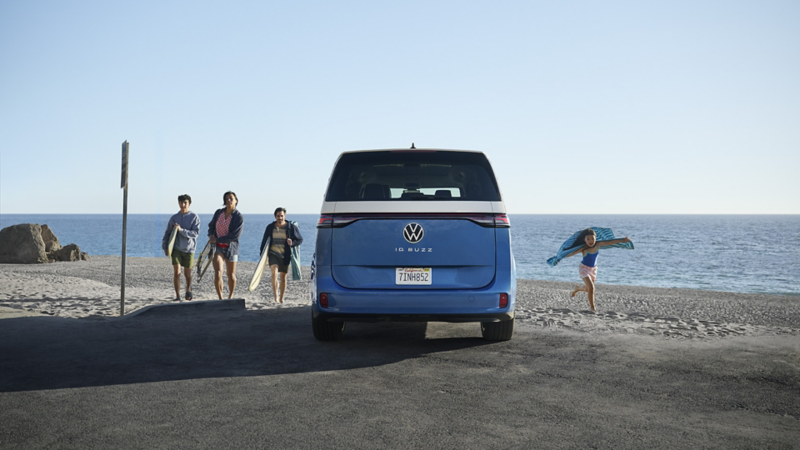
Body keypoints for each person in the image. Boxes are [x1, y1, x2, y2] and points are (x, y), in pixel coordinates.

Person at [564, 228, 631, 313]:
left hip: (593, 269)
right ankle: (592, 308)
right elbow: (571, 253)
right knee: (591, 288)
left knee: (589, 289)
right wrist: (560, 257)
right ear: (584, 240)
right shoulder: (584, 248)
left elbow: (610, 242)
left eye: (592, 238)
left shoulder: (598, 245)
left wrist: (623, 240)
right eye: (588, 239)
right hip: (584, 268)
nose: (590, 241)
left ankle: (577, 289)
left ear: (596, 238)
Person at [259, 207, 303, 303]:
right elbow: (264, 242)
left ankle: (282, 298)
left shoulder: (291, 227)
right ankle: (276, 297)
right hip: (273, 254)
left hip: (285, 255)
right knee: (274, 273)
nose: (280, 218)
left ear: (285, 216)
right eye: (278, 216)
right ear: (275, 216)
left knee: (283, 277)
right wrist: (263, 257)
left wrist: (292, 243)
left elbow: (299, 239)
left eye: (281, 216)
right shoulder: (270, 227)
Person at [161, 194, 201, 301]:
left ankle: (188, 288)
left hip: (189, 249)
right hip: (176, 249)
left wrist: (181, 230)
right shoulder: (174, 218)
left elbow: (195, 233)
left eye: (185, 203)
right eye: (181, 203)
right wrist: (165, 247)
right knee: (177, 272)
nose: (183, 205)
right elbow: (167, 233)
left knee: (187, 273)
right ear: (178, 203)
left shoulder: (194, 217)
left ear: (189, 204)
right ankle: (178, 296)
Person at [208, 191, 244, 299]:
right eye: (226, 198)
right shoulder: (218, 213)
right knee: (218, 272)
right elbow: (211, 226)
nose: (228, 200)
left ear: (236, 201)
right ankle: (220, 297)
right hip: (217, 247)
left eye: (231, 198)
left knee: (231, 275)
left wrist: (217, 238)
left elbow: (234, 236)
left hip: (231, 248)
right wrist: (211, 236)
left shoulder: (238, 217)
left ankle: (230, 296)